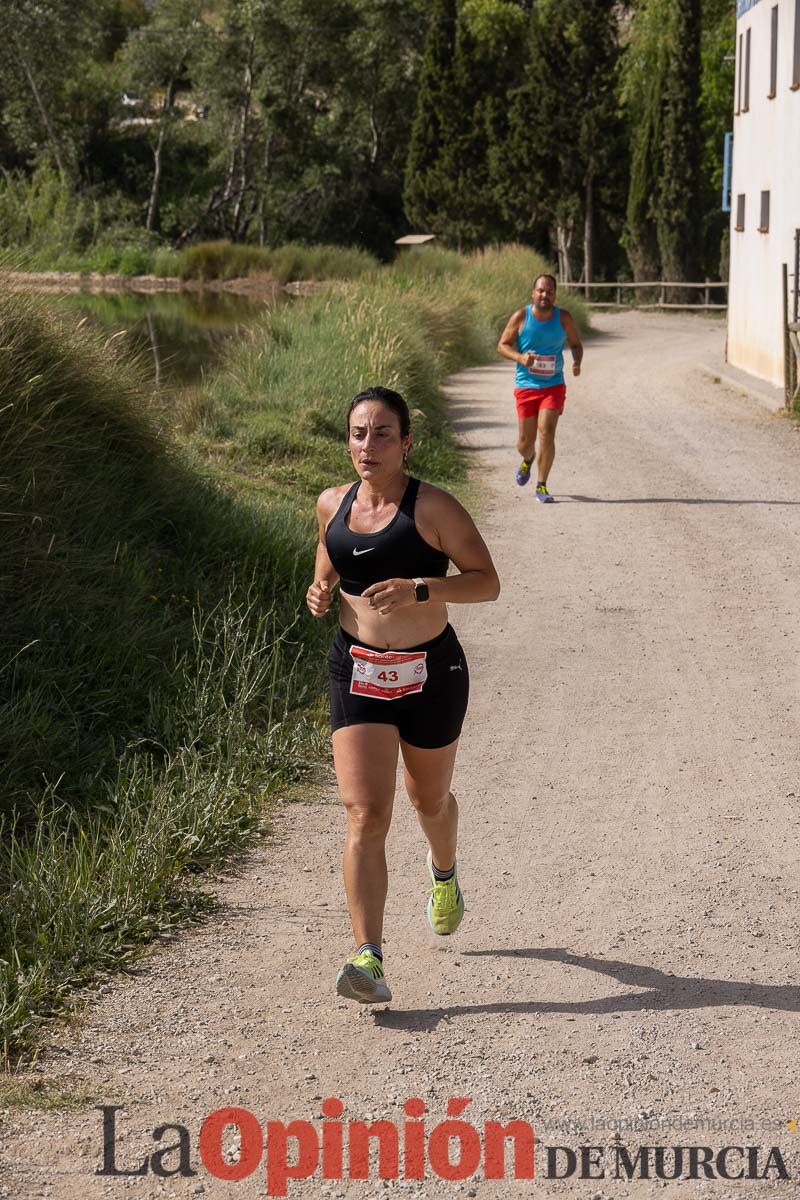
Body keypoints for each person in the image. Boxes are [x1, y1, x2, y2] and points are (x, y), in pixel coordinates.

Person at [306, 386, 500, 1004]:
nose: (369, 445)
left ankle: (444, 873)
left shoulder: (434, 508)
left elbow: (487, 583)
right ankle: (368, 956)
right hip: (356, 671)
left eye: (383, 433)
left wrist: (422, 587)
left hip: (429, 672)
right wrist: (318, 589)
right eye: (359, 433)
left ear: (407, 441)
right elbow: (330, 557)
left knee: (430, 800)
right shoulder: (331, 503)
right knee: (365, 813)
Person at [497, 273, 583, 502]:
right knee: (524, 442)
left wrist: (576, 362)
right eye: (541, 291)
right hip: (526, 385)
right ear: (533, 293)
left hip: (553, 386)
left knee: (547, 432)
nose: (545, 295)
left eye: (550, 291)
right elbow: (502, 345)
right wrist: (520, 357)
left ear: (555, 294)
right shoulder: (521, 317)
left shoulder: (563, 318)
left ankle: (542, 485)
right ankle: (528, 459)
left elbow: (575, 344)